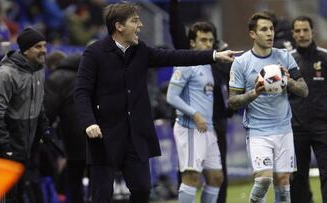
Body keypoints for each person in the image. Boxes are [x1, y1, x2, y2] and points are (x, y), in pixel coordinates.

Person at [74, 2, 241, 202]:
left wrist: (214, 56)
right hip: (104, 135)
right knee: (101, 196)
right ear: (119, 26)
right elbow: (82, 92)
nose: (141, 25)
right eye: (135, 21)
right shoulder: (94, 53)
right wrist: (89, 122)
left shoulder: (141, 50)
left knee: (143, 190)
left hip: (135, 137)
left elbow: (175, 55)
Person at [228, 12, 308, 202]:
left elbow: (304, 90)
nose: (270, 33)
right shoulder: (241, 63)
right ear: (252, 34)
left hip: (284, 128)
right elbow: (232, 101)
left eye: (271, 29)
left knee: (283, 180)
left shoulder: (285, 56)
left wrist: (288, 81)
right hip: (258, 130)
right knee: (264, 180)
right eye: (264, 29)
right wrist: (255, 93)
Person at [168, 1, 232, 202]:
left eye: (211, 40)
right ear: (193, 42)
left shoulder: (209, 65)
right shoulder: (186, 61)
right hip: (190, 127)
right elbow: (171, 96)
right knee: (191, 177)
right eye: (203, 40)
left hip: (208, 129)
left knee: (215, 177)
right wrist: (195, 114)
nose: (208, 44)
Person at [289, 15, 327, 203]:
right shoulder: (287, 61)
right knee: (297, 179)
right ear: (293, 34)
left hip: (324, 128)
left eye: (305, 30)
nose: (302, 34)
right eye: (298, 31)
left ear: (312, 32)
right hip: (296, 129)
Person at [0, 27, 49, 202]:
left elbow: (40, 101)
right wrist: (4, 144)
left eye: (44, 45)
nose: (44, 50)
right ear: (25, 50)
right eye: (38, 46)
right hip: (8, 142)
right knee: (5, 194)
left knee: (21, 191)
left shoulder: (38, 69)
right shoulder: (6, 74)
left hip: (27, 142)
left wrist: (44, 127)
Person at [44, 54, 86, 203]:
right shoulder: (90, 72)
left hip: (74, 138)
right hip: (100, 135)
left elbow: (48, 113)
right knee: (101, 181)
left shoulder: (56, 79)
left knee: (74, 180)